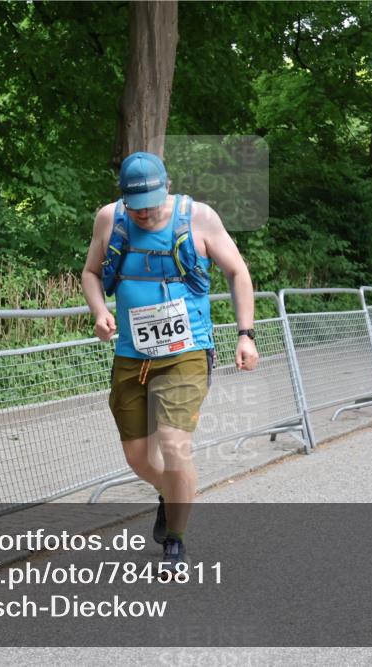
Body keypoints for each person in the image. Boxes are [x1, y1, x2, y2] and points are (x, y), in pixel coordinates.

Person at [81, 151, 259, 569]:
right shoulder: (109, 219)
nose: (144, 215)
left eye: (152, 205)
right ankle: (173, 492)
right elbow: (91, 273)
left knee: (174, 445)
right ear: (123, 199)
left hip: (187, 352)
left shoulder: (200, 218)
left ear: (168, 189)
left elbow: (238, 271)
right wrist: (99, 311)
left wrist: (245, 334)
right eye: (136, 208)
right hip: (131, 354)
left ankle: (174, 542)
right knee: (138, 457)